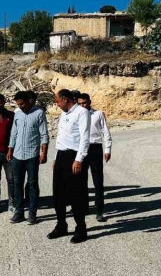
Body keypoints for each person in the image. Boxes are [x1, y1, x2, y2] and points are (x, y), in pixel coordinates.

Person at [49, 89, 91, 243]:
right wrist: (55, 157)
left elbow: (85, 138)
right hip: (61, 156)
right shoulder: (64, 113)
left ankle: (81, 229)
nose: (57, 104)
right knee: (58, 194)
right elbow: (61, 136)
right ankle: (61, 225)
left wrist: (79, 159)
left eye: (58, 101)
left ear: (65, 99)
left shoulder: (81, 112)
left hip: (74, 157)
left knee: (76, 195)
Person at [7, 90, 49, 224]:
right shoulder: (17, 114)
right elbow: (14, 133)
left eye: (22, 104)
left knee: (32, 184)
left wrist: (44, 153)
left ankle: (32, 212)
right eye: (18, 104)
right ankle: (19, 212)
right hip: (17, 155)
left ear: (29, 101)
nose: (20, 106)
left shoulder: (39, 113)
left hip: (32, 155)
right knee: (17, 184)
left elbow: (44, 135)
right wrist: (10, 149)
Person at [76, 93, 112, 222]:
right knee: (81, 179)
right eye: (79, 103)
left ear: (89, 102)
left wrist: (107, 149)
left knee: (98, 180)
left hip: (95, 148)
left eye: (84, 103)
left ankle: (99, 211)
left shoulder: (98, 114)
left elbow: (105, 132)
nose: (82, 106)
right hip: (80, 149)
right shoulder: (77, 115)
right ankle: (84, 207)